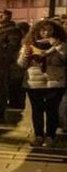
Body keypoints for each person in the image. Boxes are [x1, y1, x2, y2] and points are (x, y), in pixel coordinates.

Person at [17, 18, 67, 147]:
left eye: (50, 30)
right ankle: (38, 135)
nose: (46, 32)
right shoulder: (29, 44)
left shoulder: (61, 44)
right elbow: (21, 64)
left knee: (52, 110)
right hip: (34, 82)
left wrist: (58, 46)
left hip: (55, 82)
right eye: (43, 30)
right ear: (37, 31)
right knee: (37, 110)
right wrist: (25, 56)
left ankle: (50, 136)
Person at [0, 10, 22, 121]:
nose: (0, 16)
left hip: (1, 63)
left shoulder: (13, 30)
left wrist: (2, 52)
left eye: (3, 15)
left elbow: (13, 46)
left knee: (1, 88)